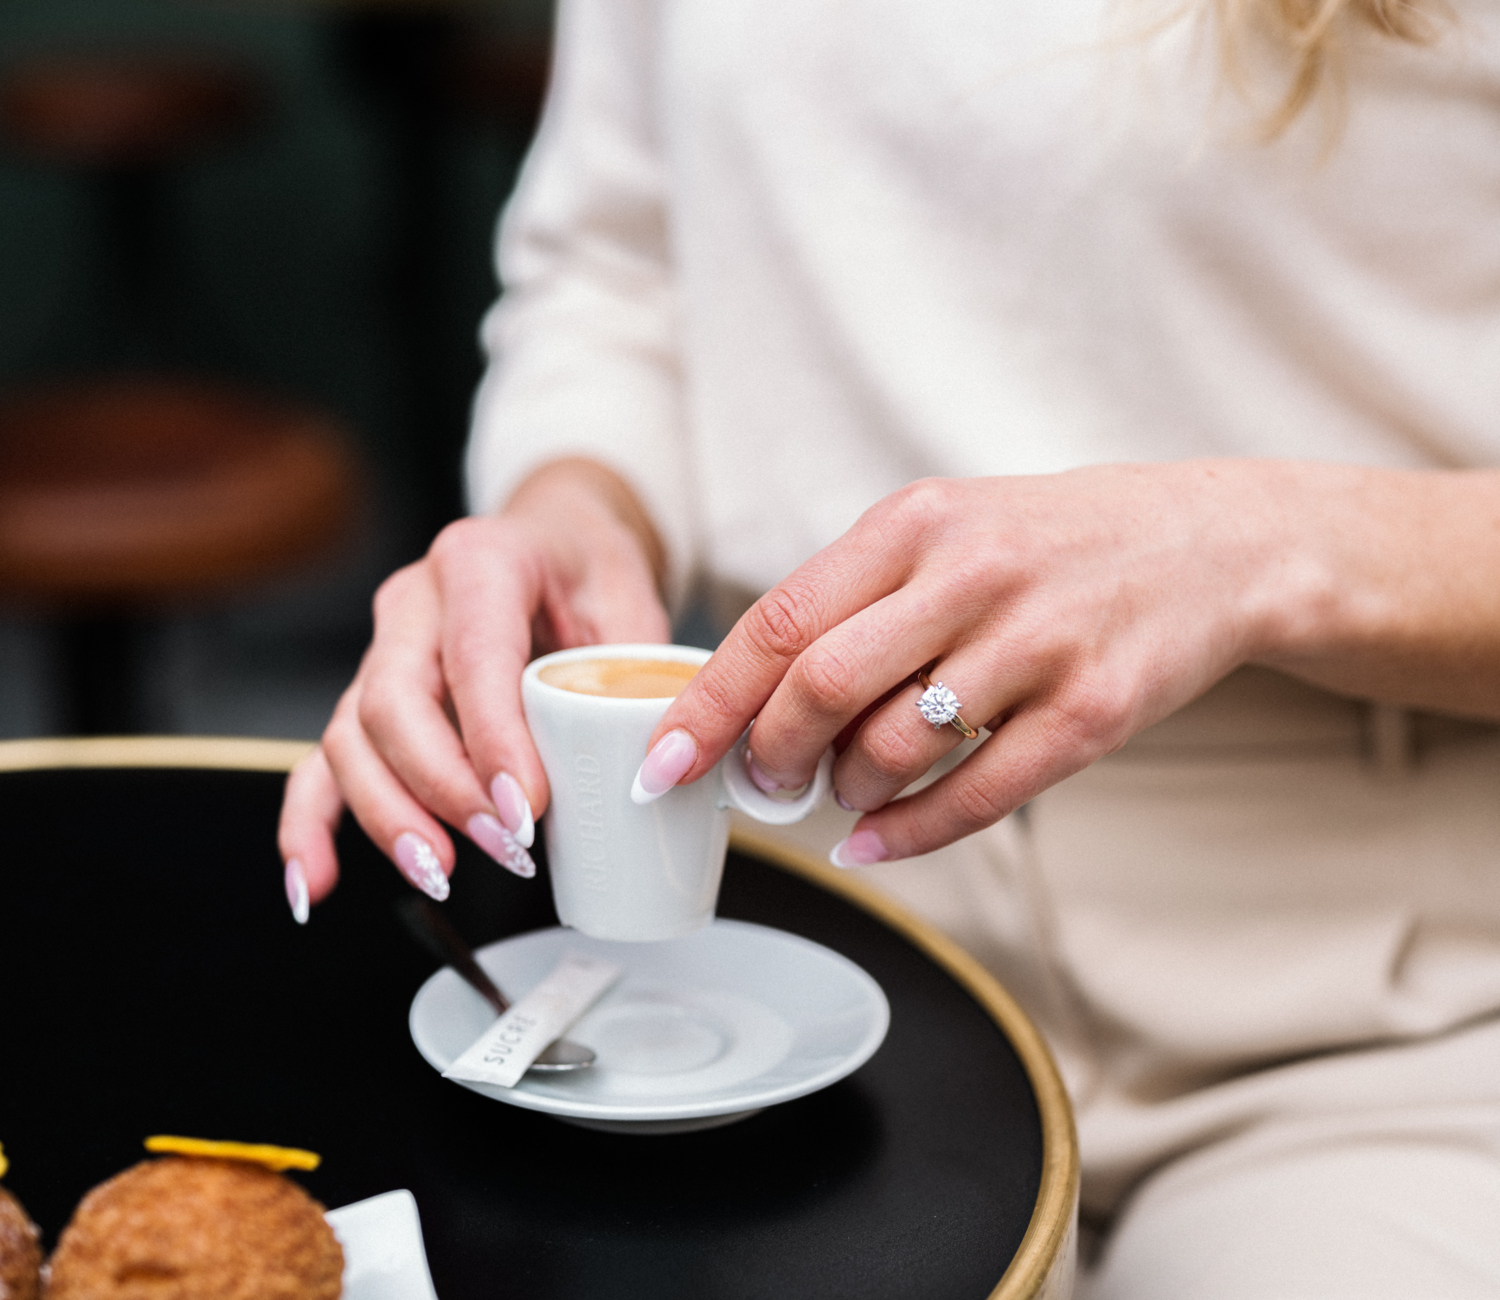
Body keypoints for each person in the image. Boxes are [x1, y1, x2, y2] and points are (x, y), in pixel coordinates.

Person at [280, 1, 1500, 1294]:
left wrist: (1254, 543)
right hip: (806, 935)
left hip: (1389, 1004)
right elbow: (619, 268)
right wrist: (573, 509)